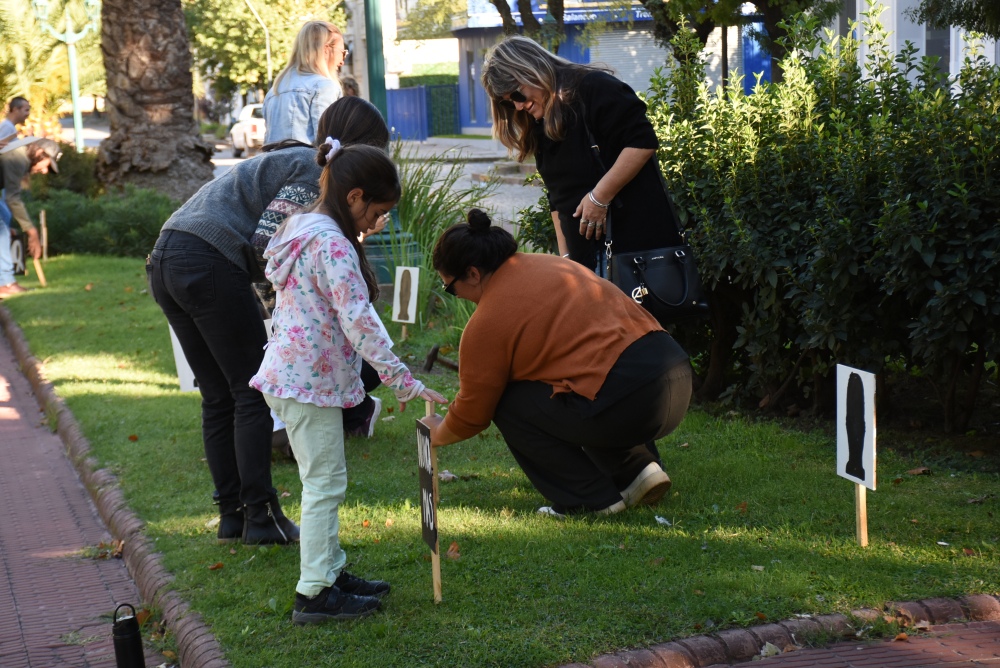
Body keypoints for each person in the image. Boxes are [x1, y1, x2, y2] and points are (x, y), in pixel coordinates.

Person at [147, 98, 388, 546]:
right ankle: (260, 515)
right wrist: (287, 310)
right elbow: (268, 242)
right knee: (247, 394)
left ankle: (232, 517)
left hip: (168, 257)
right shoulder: (312, 169)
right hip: (208, 260)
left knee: (219, 396)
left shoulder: (298, 161)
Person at [251, 144, 447, 623]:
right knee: (323, 484)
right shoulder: (333, 243)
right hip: (305, 380)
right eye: (377, 212)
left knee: (324, 481)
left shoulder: (301, 225)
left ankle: (331, 570)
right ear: (354, 195)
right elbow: (359, 320)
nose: (378, 223)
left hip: (295, 373)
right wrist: (405, 382)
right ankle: (315, 593)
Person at [424, 209, 691, 517]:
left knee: (509, 402)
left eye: (451, 288)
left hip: (633, 403)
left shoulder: (486, 322)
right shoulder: (551, 264)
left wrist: (438, 433)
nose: (455, 295)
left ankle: (590, 501)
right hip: (675, 376)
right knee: (574, 382)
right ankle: (639, 472)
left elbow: (474, 412)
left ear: (472, 273)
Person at [481, 36, 683, 270]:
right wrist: (567, 262)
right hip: (585, 263)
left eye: (517, 95)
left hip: (635, 253)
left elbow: (642, 142)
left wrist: (599, 197)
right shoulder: (540, 123)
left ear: (532, 70)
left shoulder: (594, 88)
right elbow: (556, 198)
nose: (517, 106)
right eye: (507, 103)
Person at [262, 20, 346, 145]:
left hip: (272, 164)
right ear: (326, 50)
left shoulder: (274, 90)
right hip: (306, 164)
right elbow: (327, 145)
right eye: (343, 53)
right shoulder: (324, 87)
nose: (342, 62)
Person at [0, 137, 59, 298]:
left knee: (3, 225)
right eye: (47, 163)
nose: (45, 171)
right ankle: (5, 284)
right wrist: (32, 232)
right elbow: (12, 198)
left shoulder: (20, 156)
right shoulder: (17, 158)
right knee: (1, 231)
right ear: (40, 152)